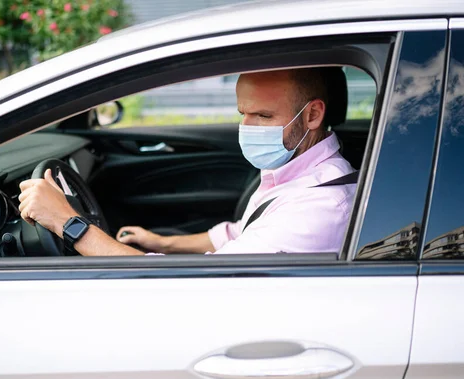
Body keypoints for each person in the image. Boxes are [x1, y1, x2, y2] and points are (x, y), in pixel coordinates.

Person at [18, 68, 356, 256]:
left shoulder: (318, 207)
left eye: (264, 115)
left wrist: (68, 223)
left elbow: (194, 283)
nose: (247, 128)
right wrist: (162, 242)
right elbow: (240, 234)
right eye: (243, 113)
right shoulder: (296, 173)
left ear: (312, 114)